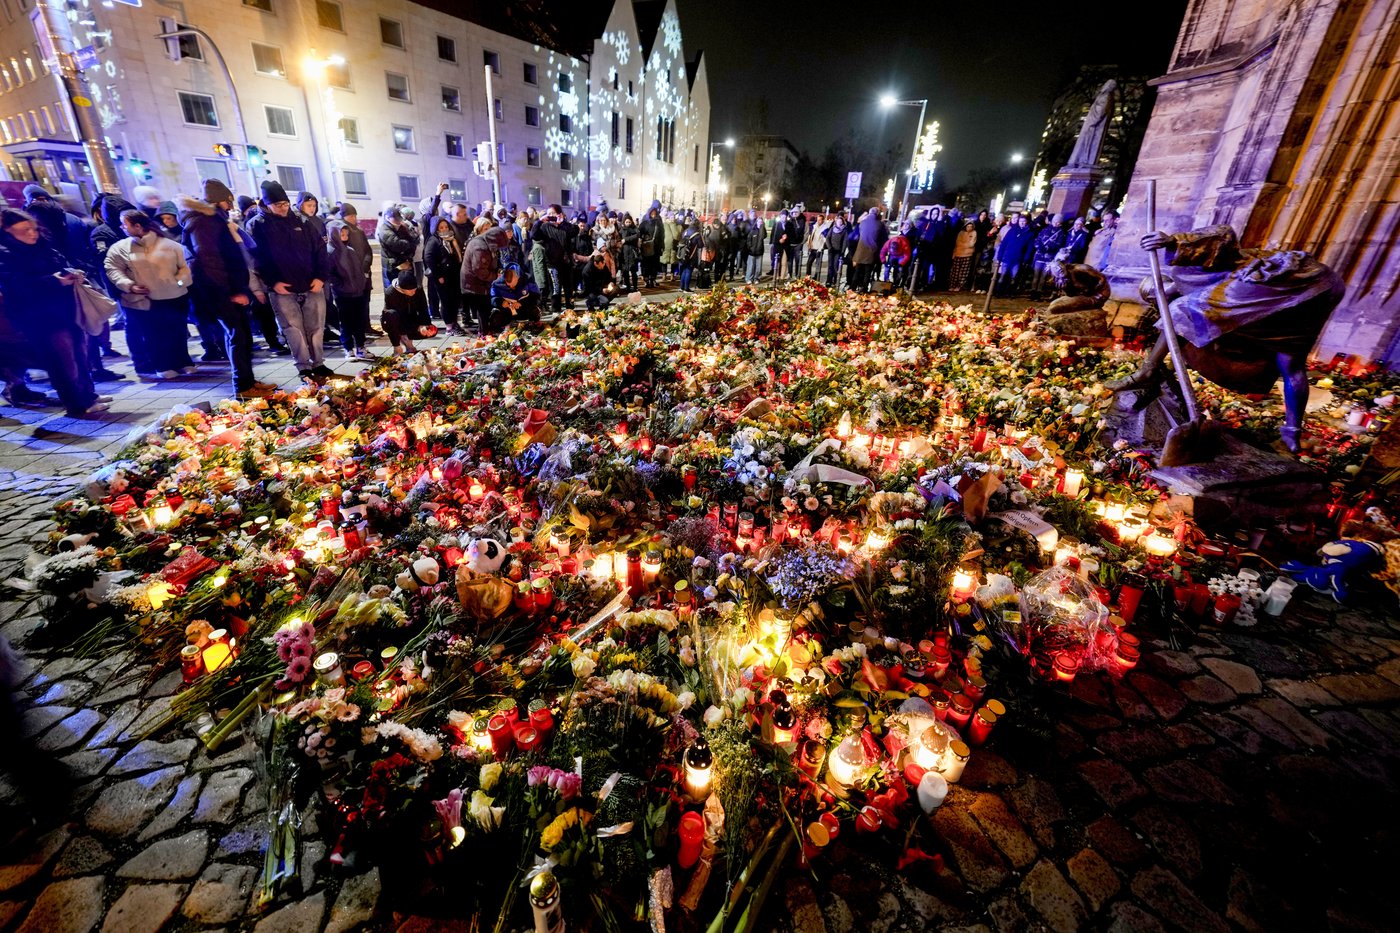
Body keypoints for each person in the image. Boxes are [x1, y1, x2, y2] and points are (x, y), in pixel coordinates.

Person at [0, 209, 108, 417]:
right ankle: (76, 404)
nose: (32, 233)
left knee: (80, 354)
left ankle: (88, 395)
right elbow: (17, 287)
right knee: (62, 361)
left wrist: (72, 273)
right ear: (7, 231)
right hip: (40, 319)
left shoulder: (42, 245)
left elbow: (60, 263)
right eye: (24, 230)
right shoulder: (6, 254)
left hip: (66, 309)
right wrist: (55, 281)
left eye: (34, 229)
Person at [179, 179, 278, 399]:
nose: (231, 207)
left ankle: (247, 381)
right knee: (238, 336)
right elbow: (211, 261)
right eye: (227, 202)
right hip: (220, 292)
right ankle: (242, 386)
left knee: (242, 335)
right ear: (218, 201)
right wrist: (232, 292)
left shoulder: (213, 220)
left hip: (228, 289)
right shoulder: (203, 222)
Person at [246, 180, 334, 382]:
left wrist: (321, 277)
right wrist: (272, 282)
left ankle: (318, 363)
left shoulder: (301, 222)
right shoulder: (257, 226)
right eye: (278, 205)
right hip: (282, 289)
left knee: (316, 327)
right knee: (293, 330)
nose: (283, 208)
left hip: (312, 285)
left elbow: (320, 250)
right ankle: (303, 367)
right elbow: (256, 258)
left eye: (285, 204)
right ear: (267, 204)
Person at [104, 209, 199, 382]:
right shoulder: (120, 248)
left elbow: (186, 266)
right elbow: (112, 268)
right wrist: (129, 285)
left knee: (177, 330)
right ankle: (163, 365)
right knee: (154, 334)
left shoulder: (170, 245)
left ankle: (183, 361)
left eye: (125, 224)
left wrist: (179, 282)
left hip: (176, 297)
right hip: (146, 300)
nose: (122, 227)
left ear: (137, 226)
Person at [327, 218, 373, 360]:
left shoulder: (350, 250)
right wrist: (340, 285)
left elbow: (358, 270)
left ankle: (360, 347)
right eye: (342, 235)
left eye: (346, 235)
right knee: (347, 322)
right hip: (343, 295)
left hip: (358, 292)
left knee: (360, 321)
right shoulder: (330, 252)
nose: (345, 238)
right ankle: (348, 349)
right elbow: (329, 274)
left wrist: (361, 283)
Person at [461, 217, 503, 337]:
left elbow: (494, 259)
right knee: (482, 307)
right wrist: (494, 275)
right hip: (475, 282)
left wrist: (498, 269)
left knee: (485, 306)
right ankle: (483, 333)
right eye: (485, 229)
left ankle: (486, 330)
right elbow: (479, 269)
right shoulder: (477, 244)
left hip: (484, 280)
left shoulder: (488, 242)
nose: (488, 231)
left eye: (489, 229)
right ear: (479, 229)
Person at [424, 216, 466, 335]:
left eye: (446, 226)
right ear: (436, 228)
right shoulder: (434, 240)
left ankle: (454, 323)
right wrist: (438, 275)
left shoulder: (451, 238)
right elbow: (429, 258)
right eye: (441, 227)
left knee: (454, 301)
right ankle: (449, 327)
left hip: (454, 274)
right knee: (446, 301)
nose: (444, 229)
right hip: (442, 276)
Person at [488, 262, 541, 330]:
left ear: (518, 278)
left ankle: (532, 326)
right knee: (495, 320)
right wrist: (501, 302)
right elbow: (492, 298)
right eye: (508, 285)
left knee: (535, 312)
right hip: (507, 311)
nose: (511, 287)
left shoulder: (527, 279)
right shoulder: (497, 283)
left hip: (524, 308)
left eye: (513, 285)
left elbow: (536, 296)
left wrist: (521, 303)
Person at [381, 271, 424, 354]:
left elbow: (423, 308)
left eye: (414, 289)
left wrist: (423, 324)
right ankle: (400, 342)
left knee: (431, 331)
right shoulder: (390, 292)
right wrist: (396, 344)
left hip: (410, 318)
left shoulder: (418, 289)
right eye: (410, 290)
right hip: (394, 320)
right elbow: (391, 316)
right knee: (393, 315)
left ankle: (407, 341)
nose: (413, 292)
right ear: (402, 288)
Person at [377, 207, 418, 289]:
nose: (398, 221)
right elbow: (397, 245)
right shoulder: (384, 229)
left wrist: (408, 255)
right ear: (387, 218)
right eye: (395, 219)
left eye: (399, 218)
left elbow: (415, 240)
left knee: (406, 289)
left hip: (404, 264)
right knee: (394, 290)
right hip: (392, 267)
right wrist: (409, 243)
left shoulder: (402, 227)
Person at [995, 214, 1035, 295]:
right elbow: (1004, 243)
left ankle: (1010, 292)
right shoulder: (1012, 230)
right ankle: (998, 292)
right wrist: (1000, 255)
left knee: (1014, 276)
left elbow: (1029, 248)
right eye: (1020, 221)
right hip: (1007, 257)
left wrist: (1026, 258)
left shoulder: (1029, 233)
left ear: (1026, 222)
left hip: (1018, 258)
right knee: (1003, 275)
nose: (1022, 223)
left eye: (1024, 221)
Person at [1030, 215, 1068, 300]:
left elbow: (1058, 244)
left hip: (1049, 258)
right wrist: (1039, 247)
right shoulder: (1045, 229)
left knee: (1043, 276)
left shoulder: (1061, 233)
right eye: (1055, 222)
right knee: (1036, 275)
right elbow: (1038, 239)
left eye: (1058, 222)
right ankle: (1033, 292)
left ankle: (1038, 293)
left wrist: (1048, 248)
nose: (1056, 223)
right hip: (1040, 256)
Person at [851, 208, 886, 292]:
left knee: (857, 270)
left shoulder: (863, 222)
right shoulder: (880, 224)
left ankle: (853, 287)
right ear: (877, 214)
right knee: (868, 272)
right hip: (872, 251)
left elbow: (859, 234)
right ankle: (864, 288)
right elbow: (883, 239)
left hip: (860, 250)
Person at [879, 223, 913, 288]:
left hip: (901, 255)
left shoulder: (904, 245)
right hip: (892, 256)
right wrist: (884, 262)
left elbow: (907, 256)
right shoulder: (888, 243)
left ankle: (896, 283)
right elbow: (882, 252)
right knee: (887, 268)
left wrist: (901, 264)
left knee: (899, 269)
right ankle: (886, 282)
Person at [638, 206, 665, 288]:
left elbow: (662, 235)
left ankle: (652, 279)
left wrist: (662, 246)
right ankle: (646, 280)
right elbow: (639, 233)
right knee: (646, 264)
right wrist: (642, 240)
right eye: (652, 213)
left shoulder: (659, 223)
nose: (653, 215)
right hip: (646, 247)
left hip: (656, 247)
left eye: (654, 213)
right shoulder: (644, 223)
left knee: (654, 264)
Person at [950, 221, 977, 291]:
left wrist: (964, 245)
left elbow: (972, 244)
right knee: (955, 271)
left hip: (968, 254)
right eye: (968, 226)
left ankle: (959, 286)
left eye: (971, 226)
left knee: (964, 272)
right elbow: (958, 242)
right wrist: (966, 245)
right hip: (958, 253)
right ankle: (952, 285)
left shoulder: (974, 233)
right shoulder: (961, 233)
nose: (969, 228)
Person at [676, 222, 702, 293]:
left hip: (682, 254)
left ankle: (681, 287)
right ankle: (686, 288)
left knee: (684, 270)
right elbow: (700, 245)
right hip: (691, 255)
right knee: (688, 271)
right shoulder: (697, 234)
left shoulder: (685, 231)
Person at [619, 215, 640, 292]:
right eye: (626, 222)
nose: (628, 223)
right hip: (624, 253)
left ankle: (635, 286)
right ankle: (628, 286)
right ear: (624, 222)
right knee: (625, 272)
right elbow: (619, 239)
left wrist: (626, 240)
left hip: (632, 252)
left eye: (629, 222)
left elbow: (637, 235)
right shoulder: (622, 230)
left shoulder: (635, 229)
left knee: (634, 271)